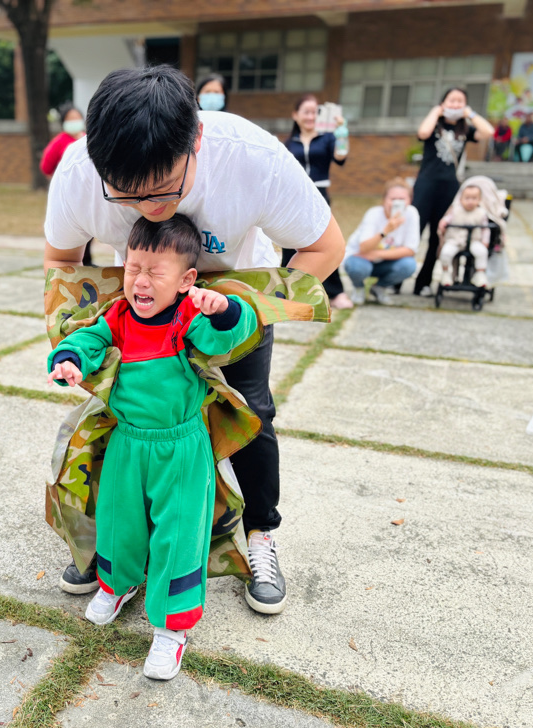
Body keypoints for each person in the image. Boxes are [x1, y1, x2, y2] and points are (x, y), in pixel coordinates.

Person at [44, 65, 344, 615]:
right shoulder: (80, 173)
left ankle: (259, 534)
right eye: (127, 195)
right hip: (142, 301)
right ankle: (109, 546)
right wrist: (78, 341)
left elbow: (326, 247)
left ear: (197, 138)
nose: (148, 206)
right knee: (122, 419)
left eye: (163, 189)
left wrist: (240, 316)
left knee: (251, 413)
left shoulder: (252, 159)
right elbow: (62, 261)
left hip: (228, 300)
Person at [48, 214, 258, 680]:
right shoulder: (119, 316)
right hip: (127, 442)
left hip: (180, 449)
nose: (140, 281)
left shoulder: (189, 317)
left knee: (177, 533)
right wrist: (68, 360)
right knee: (118, 520)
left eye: (154, 272)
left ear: (186, 280)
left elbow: (231, 335)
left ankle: (172, 627)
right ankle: (117, 584)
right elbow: (88, 338)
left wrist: (222, 309)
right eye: (132, 268)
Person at [409, 87, 495, 296]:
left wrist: (470, 114)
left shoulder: (465, 129)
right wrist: (436, 112)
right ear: (443, 102)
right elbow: (422, 133)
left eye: (460, 101)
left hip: (449, 188)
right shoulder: (434, 125)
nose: (455, 104)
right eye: (451, 100)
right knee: (413, 231)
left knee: (438, 237)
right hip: (426, 184)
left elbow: (488, 132)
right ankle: (396, 281)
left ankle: (423, 283)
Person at [281, 94, 352, 309]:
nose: (311, 116)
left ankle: (335, 292)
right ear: (296, 115)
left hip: (319, 193)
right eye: (306, 112)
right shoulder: (289, 143)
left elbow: (341, 156)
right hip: (294, 195)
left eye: (315, 112)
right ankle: (287, 291)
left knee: (324, 241)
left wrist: (342, 133)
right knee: (290, 242)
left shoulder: (327, 138)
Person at [343, 178, 420, 305]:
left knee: (409, 265)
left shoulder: (412, 213)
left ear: (410, 200)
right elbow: (363, 248)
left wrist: (376, 254)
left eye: (402, 199)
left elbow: (410, 250)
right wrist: (386, 231)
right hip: (361, 260)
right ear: (384, 200)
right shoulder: (374, 214)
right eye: (393, 199)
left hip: (385, 262)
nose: (397, 203)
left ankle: (379, 287)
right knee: (358, 267)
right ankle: (358, 287)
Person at [40, 103, 93, 266]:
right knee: (73, 233)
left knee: (90, 230)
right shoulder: (59, 142)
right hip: (70, 197)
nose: (74, 122)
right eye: (70, 119)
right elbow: (46, 166)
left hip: (89, 195)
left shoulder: (89, 138)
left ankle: (88, 261)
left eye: (77, 118)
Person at [437, 183, 490, 287]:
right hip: (455, 240)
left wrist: (485, 241)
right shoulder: (455, 210)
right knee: (446, 252)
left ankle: (480, 274)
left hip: (474, 241)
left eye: (474, 198)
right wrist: (443, 222)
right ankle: (446, 273)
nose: (470, 201)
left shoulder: (481, 213)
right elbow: (446, 219)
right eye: (467, 198)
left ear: (479, 200)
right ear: (460, 199)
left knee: (482, 252)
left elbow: (485, 229)